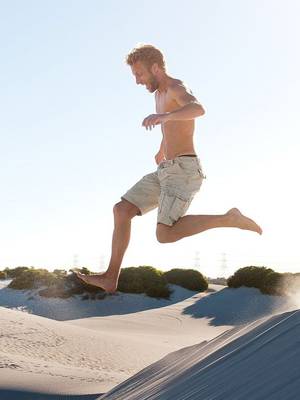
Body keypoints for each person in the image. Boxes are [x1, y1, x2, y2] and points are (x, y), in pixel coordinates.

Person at [76, 44, 262, 293]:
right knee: (122, 210)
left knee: (164, 235)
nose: (137, 81)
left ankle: (229, 218)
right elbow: (172, 126)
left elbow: (197, 109)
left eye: (139, 74)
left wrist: (164, 118)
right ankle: (111, 277)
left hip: (185, 170)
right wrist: (162, 147)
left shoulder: (176, 87)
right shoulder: (157, 95)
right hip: (167, 169)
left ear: (155, 68)